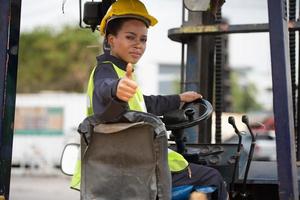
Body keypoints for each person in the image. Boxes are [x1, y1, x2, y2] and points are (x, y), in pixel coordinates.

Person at [73, 0, 228, 199]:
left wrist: (178, 99)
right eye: (130, 37)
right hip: (138, 167)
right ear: (111, 40)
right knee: (212, 177)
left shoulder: (121, 70)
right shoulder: (107, 72)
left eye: (143, 39)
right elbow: (106, 89)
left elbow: (146, 104)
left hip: (124, 165)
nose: (138, 45)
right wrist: (116, 89)